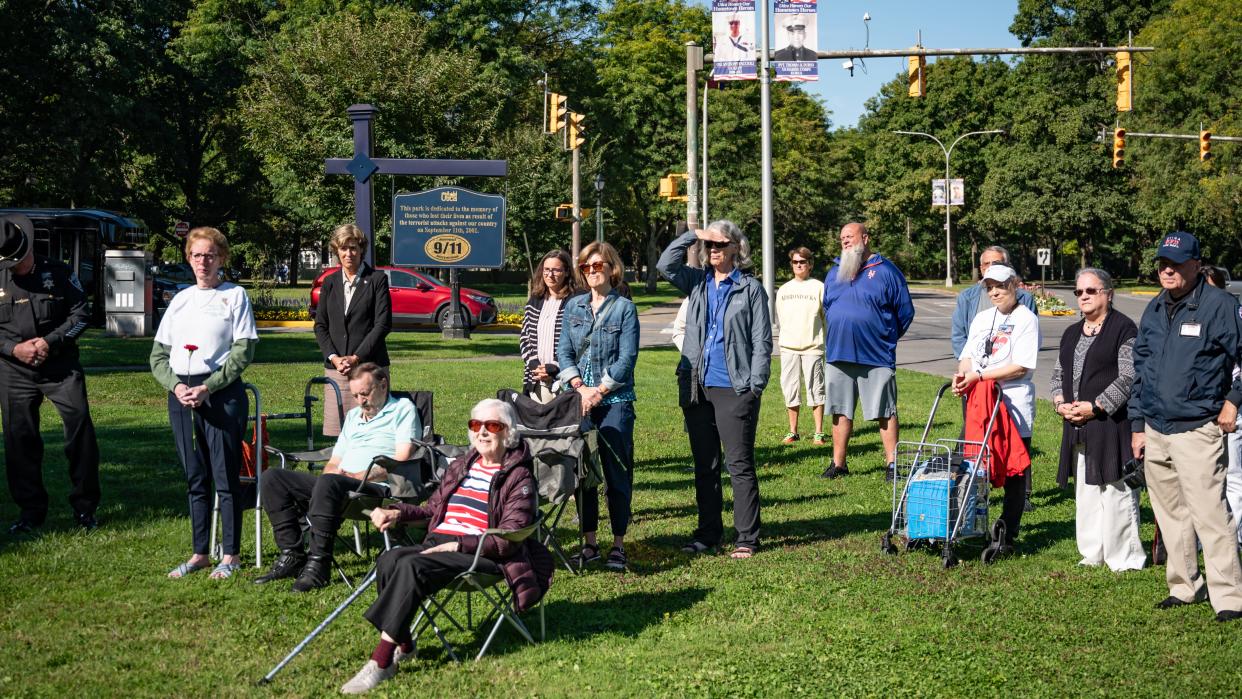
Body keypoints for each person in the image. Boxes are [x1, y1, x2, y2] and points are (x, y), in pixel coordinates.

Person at [341, 398, 552, 694]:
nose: (482, 432)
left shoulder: (519, 477)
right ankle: (405, 644)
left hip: (481, 553)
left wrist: (458, 546)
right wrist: (397, 512)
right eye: (476, 425)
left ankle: (381, 661)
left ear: (508, 433)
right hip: (440, 542)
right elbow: (432, 510)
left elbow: (508, 536)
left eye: (492, 426)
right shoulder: (464, 466)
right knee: (390, 559)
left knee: (412, 565)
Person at [1130, 232, 1242, 622]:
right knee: (1170, 514)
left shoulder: (1220, 306)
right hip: (1157, 427)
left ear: (1196, 265)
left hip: (1198, 428)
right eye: (1162, 263)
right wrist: (1137, 423)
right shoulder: (1155, 309)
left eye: (1176, 263)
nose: (1167, 270)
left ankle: (1228, 597)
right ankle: (1184, 586)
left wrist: (1233, 401)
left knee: (1210, 514)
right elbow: (1140, 370)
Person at [658, 220, 771, 559]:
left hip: (734, 387)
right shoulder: (698, 282)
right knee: (704, 464)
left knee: (738, 463)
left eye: (721, 244)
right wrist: (695, 235)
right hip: (696, 384)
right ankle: (708, 533)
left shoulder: (750, 289)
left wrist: (755, 386)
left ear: (737, 248)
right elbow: (665, 265)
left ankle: (747, 537)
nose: (713, 251)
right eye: (710, 246)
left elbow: (761, 341)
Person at [255, 363, 422, 591]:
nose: (360, 401)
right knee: (272, 477)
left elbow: (400, 460)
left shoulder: (403, 409)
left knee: (329, 483)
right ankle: (292, 554)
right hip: (338, 484)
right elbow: (334, 461)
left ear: (383, 384)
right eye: (355, 395)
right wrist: (333, 475)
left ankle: (318, 565)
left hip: (376, 488)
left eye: (365, 393)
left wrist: (356, 476)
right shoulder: (353, 416)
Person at [150, 226, 258, 579]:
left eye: (210, 255)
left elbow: (243, 351)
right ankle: (199, 553)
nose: (203, 262)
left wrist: (209, 387)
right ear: (188, 258)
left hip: (221, 395)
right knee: (195, 476)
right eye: (196, 255)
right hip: (181, 396)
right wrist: (176, 386)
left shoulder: (235, 296)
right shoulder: (180, 300)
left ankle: (231, 555)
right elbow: (158, 357)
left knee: (225, 475)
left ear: (222, 258)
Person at [0, 213, 100, 535]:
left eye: (17, 261)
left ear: (29, 249)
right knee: (20, 440)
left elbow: (82, 313)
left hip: (60, 366)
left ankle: (85, 509)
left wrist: (50, 341)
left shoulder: (57, 272)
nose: (14, 268)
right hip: (14, 371)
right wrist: (12, 349)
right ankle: (30, 512)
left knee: (80, 430)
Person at [1050, 268, 1145, 571]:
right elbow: (1058, 373)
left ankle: (1124, 557)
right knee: (1087, 493)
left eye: (1091, 291)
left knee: (1117, 488)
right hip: (1078, 424)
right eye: (1079, 292)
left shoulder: (1124, 329)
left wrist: (1098, 406)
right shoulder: (1071, 332)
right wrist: (1060, 403)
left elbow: (1130, 376)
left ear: (1108, 293)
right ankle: (1092, 553)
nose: (1084, 297)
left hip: (1112, 423)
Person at [557, 242, 639, 571]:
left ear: (611, 268)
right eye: (586, 267)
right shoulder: (574, 307)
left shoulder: (624, 308)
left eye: (598, 266)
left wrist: (599, 391)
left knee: (617, 474)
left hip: (614, 402)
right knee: (585, 476)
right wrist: (579, 387)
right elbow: (564, 352)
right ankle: (590, 543)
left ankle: (618, 545)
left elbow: (627, 359)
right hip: (580, 402)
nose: (592, 272)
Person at [953, 264, 1039, 555]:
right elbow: (967, 357)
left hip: (1013, 403)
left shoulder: (1026, 319)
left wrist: (980, 376)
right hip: (980, 403)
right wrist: (963, 377)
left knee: (1014, 469)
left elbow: (1020, 367)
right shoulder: (981, 318)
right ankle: (967, 523)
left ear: (1014, 284)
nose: (994, 292)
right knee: (971, 461)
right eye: (989, 287)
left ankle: (1008, 533)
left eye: (1000, 286)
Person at [820, 222, 915, 479]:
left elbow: (905, 312)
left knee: (885, 410)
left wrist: (885, 337)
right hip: (839, 354)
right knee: (839, 410)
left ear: (866, 238)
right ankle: (838, 464)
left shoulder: (886, 271)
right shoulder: (834, 272)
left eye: (850, 236)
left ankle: (892, 464)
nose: (845, 241)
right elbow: (828, 305)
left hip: (876, 356)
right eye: (842, 238)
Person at [314, 223, 392, 436]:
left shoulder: (377, 280)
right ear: (336, 251)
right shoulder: (329, 282)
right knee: (340, 434)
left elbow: (382, 324)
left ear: (361, 250)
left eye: (353, 248)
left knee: (374, 431)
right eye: (343, 248)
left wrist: (356, 358)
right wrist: (334, 358)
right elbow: (320, 325)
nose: (348, 254)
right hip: (338, 370)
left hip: (369, 368)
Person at [1204, 265, 1242, 547]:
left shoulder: (1233, 314)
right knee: (1203, 476)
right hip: (1200, 409)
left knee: (1232, 474)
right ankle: (1205, 537)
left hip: (1232, 406)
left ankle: (1234, 535)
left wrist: (1233, 400)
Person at [775, 247, 826, 445]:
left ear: (810, 265)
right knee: (790, 389)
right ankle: (793, 431)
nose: (799, 265)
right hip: (788, 347)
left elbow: (825, 318)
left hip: (813, 347)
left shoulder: (819, 287)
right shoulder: (784, 289)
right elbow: (781, 316)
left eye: (802, 262)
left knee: (816, 390)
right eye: (795, 262)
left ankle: (819, 432)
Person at [520, 249, 579, 402]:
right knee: (539, 423)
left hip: (565, 377)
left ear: (566, 272)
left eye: (556, 270)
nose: (550, 274)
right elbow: (525, 338)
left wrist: (554, 367)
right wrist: (534, 365)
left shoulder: (576, 301)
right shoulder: (535, 299)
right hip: (537, 377)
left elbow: (578, 341)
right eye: (546, 269)